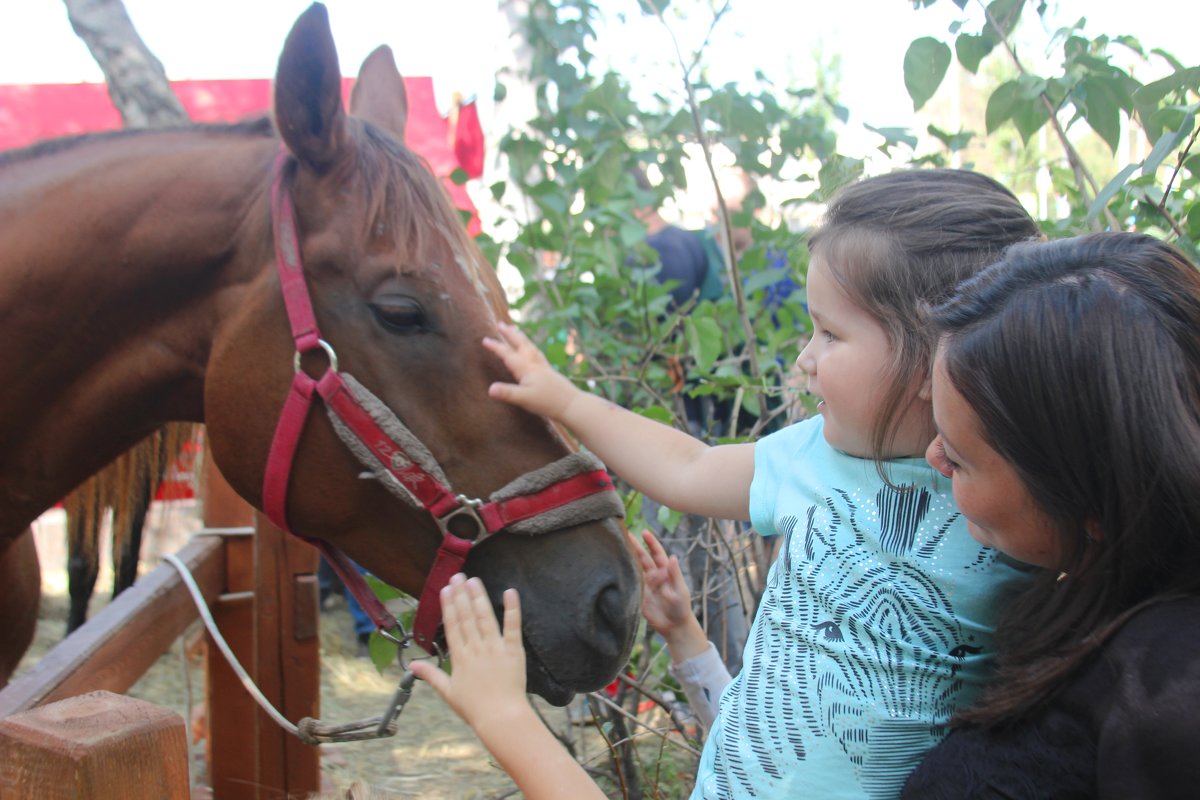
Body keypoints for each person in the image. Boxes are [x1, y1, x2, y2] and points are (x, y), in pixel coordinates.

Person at [470, 168, 1041, 798]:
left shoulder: (1014, 512)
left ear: (937, 354)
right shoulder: (814, 455)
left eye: (830, 333)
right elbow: (687, 469)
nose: (804, 357)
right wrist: (567, 401)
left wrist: (503, 716)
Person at [900, 232, 1200, 798]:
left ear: (1085, 496)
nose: (933, 458)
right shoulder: (1112, 592)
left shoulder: (1169, 699)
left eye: (960, 459)